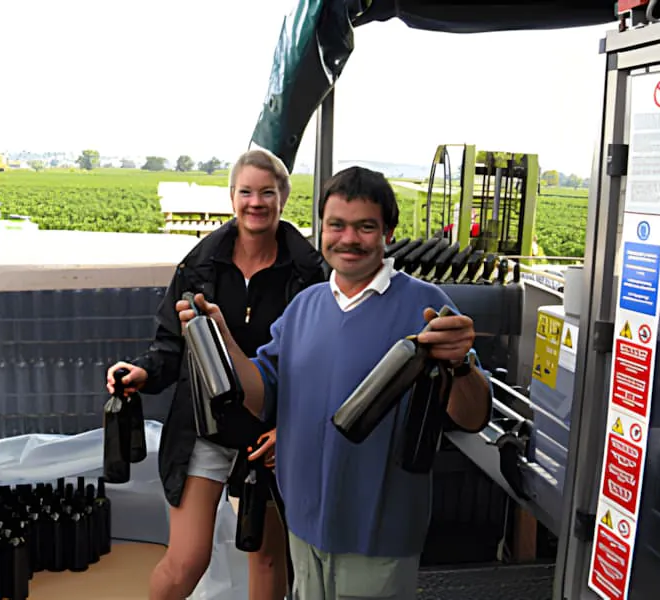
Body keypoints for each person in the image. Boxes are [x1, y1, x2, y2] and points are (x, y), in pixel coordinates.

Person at [176, 166, 493, 599]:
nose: (349, 239)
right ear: (320, 228)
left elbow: (472, 416)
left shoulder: (426, 307)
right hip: (304, 522)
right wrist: (222, 337)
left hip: (379, 531)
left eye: (365, 227)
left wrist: (460, 366)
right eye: (337, 225)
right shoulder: (306, 305)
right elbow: (259, 395)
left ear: (388, 232)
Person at [106, 148, 326, 600]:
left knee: (265, 557)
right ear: (232, 198)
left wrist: (289, 429)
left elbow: (316, 363)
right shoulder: (199, 266)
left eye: (267, 192)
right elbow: (171, 343)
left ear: (283, 199)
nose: (256, 202)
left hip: (266, 433)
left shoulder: (307, 274)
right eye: (246, 192)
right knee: (187, 559)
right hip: (204, 426)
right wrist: (142, 372)